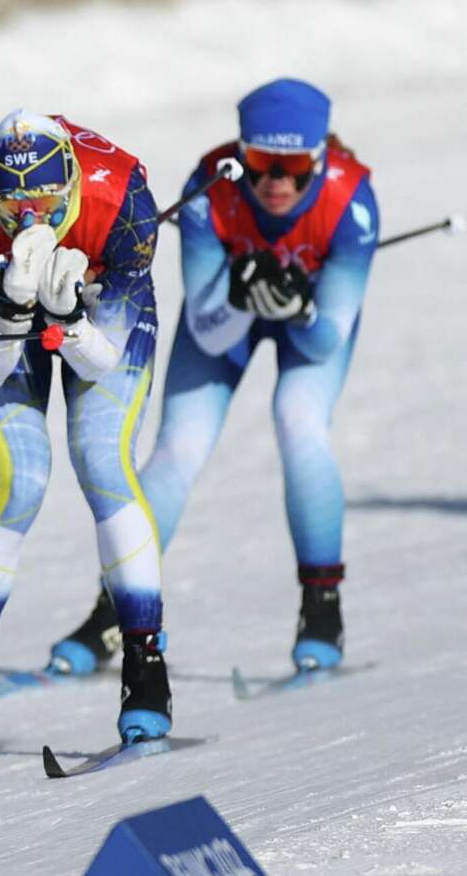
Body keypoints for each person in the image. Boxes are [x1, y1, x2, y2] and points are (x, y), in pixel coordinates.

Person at [49, 80, 376, 675]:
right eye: (261, 164)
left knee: (300, 421)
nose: (277, 183)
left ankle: (321, 606)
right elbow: (206, 326)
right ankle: (114, 613)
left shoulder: (351, 198)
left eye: (295, 167)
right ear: (240, 154)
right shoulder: (210, 188)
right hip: (225, 323)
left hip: (310, 326)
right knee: (177, 447)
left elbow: (326, 336)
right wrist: (245, 297)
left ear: (321, 158)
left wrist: (300, 308)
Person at [0, 110, 171, 749]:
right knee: (16, 483)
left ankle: (145, 664)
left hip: (98, 320)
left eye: (49, 200)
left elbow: (103, 358)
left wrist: (70, 316)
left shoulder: (125, 200)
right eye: (12, 205)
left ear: (74, 184)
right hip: (14, 317)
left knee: (103, 462)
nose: (31, 218)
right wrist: (12, 308)